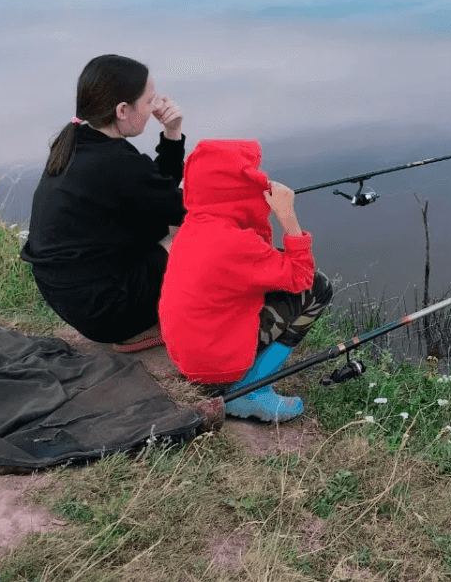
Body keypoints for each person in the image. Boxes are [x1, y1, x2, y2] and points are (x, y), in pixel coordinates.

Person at [159, 139, 332, 423]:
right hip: (215, 368)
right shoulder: (235, 243)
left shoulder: (193, 226)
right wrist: (287, 217)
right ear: (238, 186)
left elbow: (251, 266)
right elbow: (301, 277)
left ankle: (238, 380)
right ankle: (250, 390)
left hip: (188, 357)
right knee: (318, 288)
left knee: (278, 275)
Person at [21, 54, 185, 352]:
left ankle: (147, 320)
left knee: (164, 227)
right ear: (123, 110)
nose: (155, 109)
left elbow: (155, 193)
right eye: (149, 102)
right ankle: (166, 324)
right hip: (108, 312)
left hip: (74, 301)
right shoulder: (116, 162)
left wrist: (171, 134)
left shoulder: (76, 143)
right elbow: (183, 209)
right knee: (189, 234)